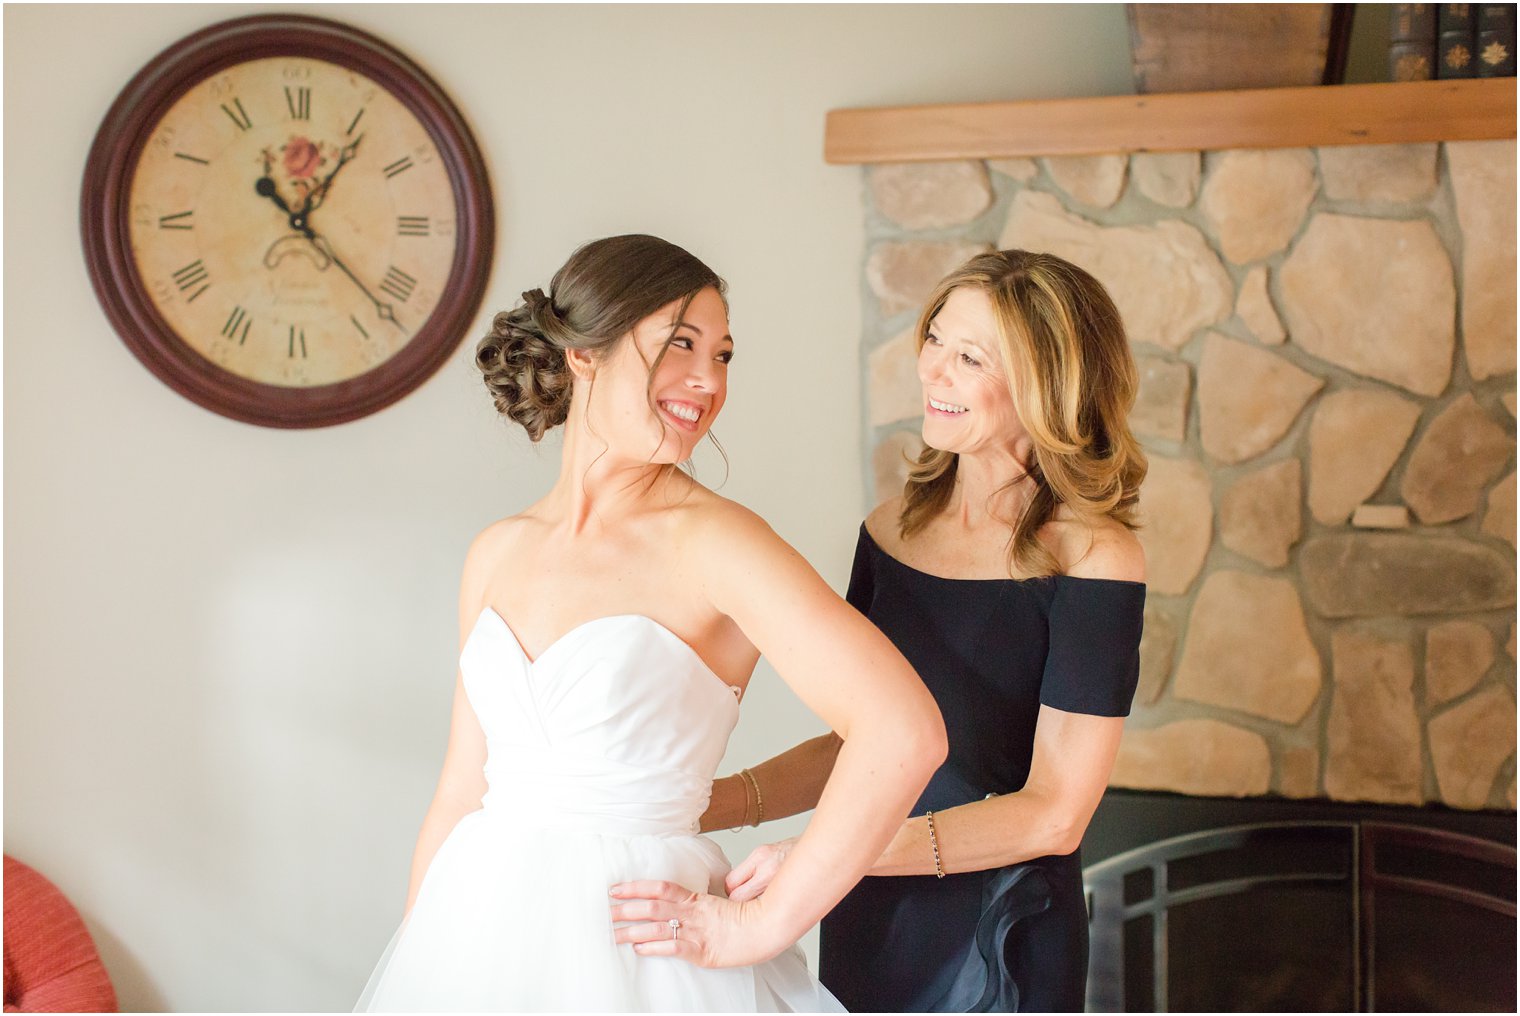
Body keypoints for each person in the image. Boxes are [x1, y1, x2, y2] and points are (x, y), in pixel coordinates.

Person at [354, 234, 946, 1012]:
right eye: (679, 344)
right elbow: (463, 792)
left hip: (647, 968)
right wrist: (423, 963)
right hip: (477, 950)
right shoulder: (496, 553)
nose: (707, 380)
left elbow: (904, 732)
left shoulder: (717, 541)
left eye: (724, 354)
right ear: (583, 355)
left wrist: (763, 924)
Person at [687, 249, 1147, 1011]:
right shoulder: (889, 530)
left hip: (1001, 930)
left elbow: (1056, 813)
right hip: (870, 909)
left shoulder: (1095, 559)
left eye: (970, 357)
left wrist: (833, 855)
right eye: (935, 338)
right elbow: (858, 746)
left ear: (1049, 384)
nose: (933, 370)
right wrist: (701, 802)